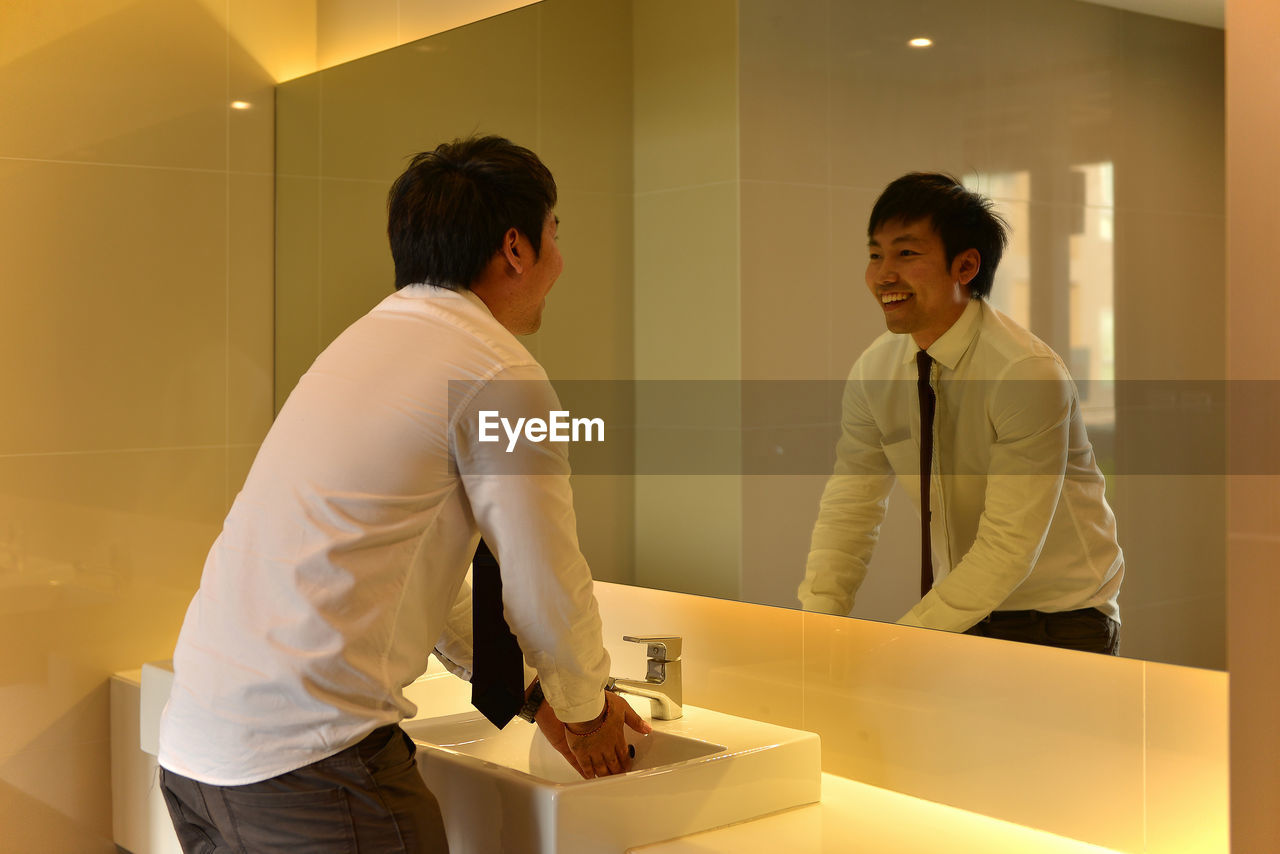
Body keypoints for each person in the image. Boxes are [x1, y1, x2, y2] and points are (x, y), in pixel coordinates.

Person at [157, 136, 647, 853]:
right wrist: (584, 708)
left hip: (198, 755)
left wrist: (540, 695)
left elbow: (412, 580)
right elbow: (544, 583)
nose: (559, 259)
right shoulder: (498, 372)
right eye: (555, 234)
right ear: (515, 248)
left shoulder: (358, 347)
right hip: (312, 768)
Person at [798, 172, 1124, 654]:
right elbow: (852, 506)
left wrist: (900, 643)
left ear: (965, 266)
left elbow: (1009, 546)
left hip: (1062, 624)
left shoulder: (1024, 373)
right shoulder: (876, 369)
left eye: (906, 254)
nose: (883, 274)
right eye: (875, 254)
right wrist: (815, 627)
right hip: (961, 613)